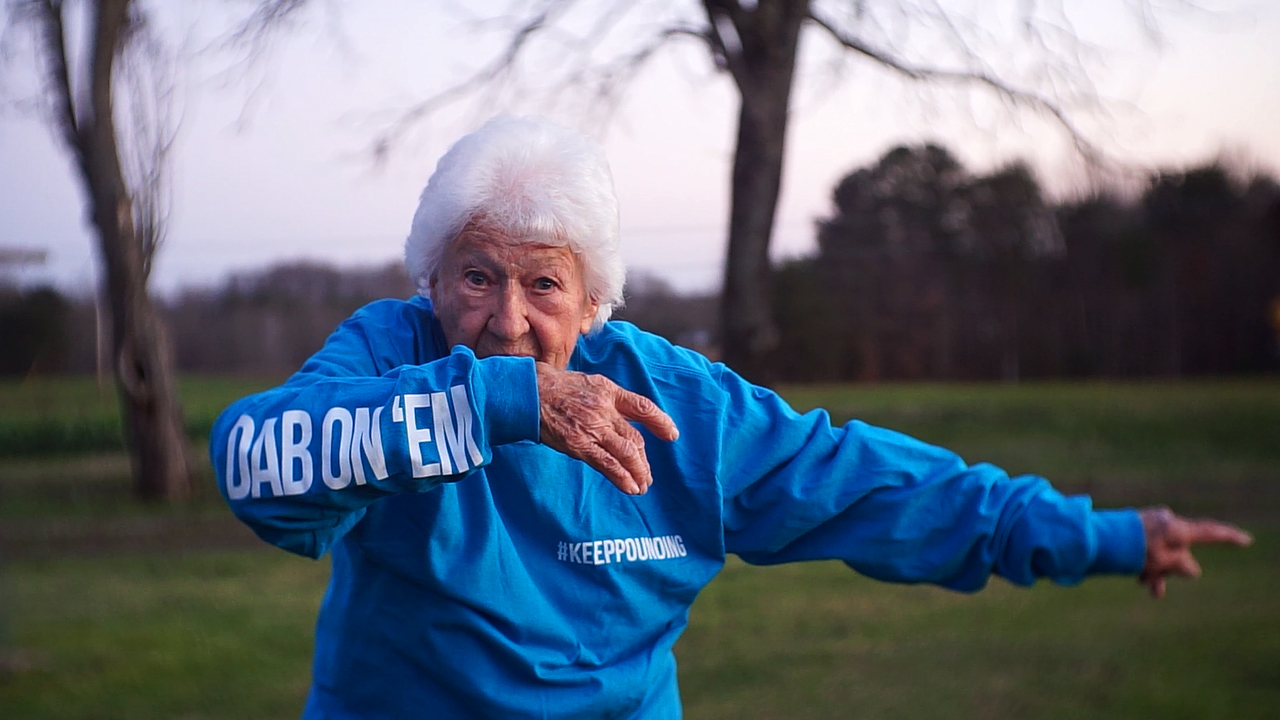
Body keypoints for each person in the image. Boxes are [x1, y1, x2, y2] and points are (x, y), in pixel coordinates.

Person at [211, 115, 1252, 720]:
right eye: (477, 277)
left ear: (594, 301)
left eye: (543, 285)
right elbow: (257, 465)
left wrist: (1107, 537)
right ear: (431, 281)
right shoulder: (389, 354)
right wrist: (500, 404)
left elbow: (875, 488)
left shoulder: (675, 404)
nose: (508, 320)